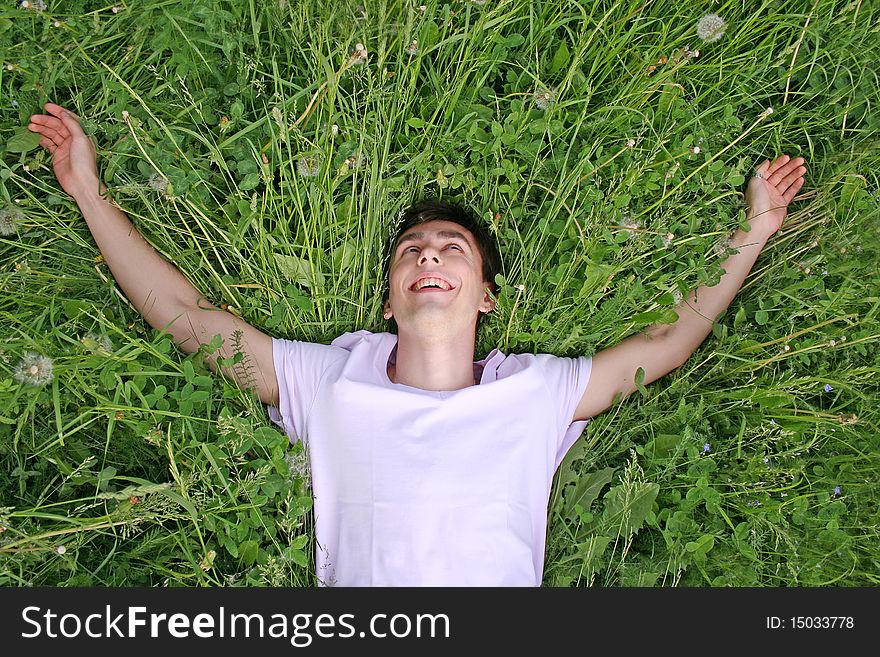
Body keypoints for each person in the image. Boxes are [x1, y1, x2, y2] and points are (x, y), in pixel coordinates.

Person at [27, 102, 806, 586]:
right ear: (392, 297)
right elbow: (188, 316)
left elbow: (672, 338)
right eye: (411, 251)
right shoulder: (328, 381)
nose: (428, 255)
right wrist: (88, 193)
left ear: (486, 296)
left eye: (451, 248)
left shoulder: (536, 393)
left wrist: (755, 229)